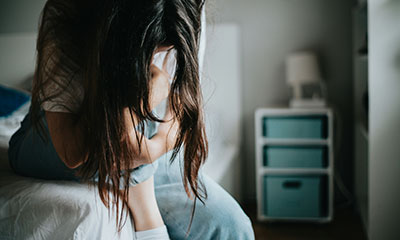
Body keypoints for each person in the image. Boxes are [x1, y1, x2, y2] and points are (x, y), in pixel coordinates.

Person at [8, 0, 255, 239]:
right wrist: (146, 94)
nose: (157, 57)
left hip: (139, 144)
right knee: (139, 103)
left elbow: (180, 108)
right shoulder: (69, 12)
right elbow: (73, 152)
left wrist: (153, 149)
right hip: (52, 138)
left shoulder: (185, 13)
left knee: (232, 226)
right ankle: (149, 220)